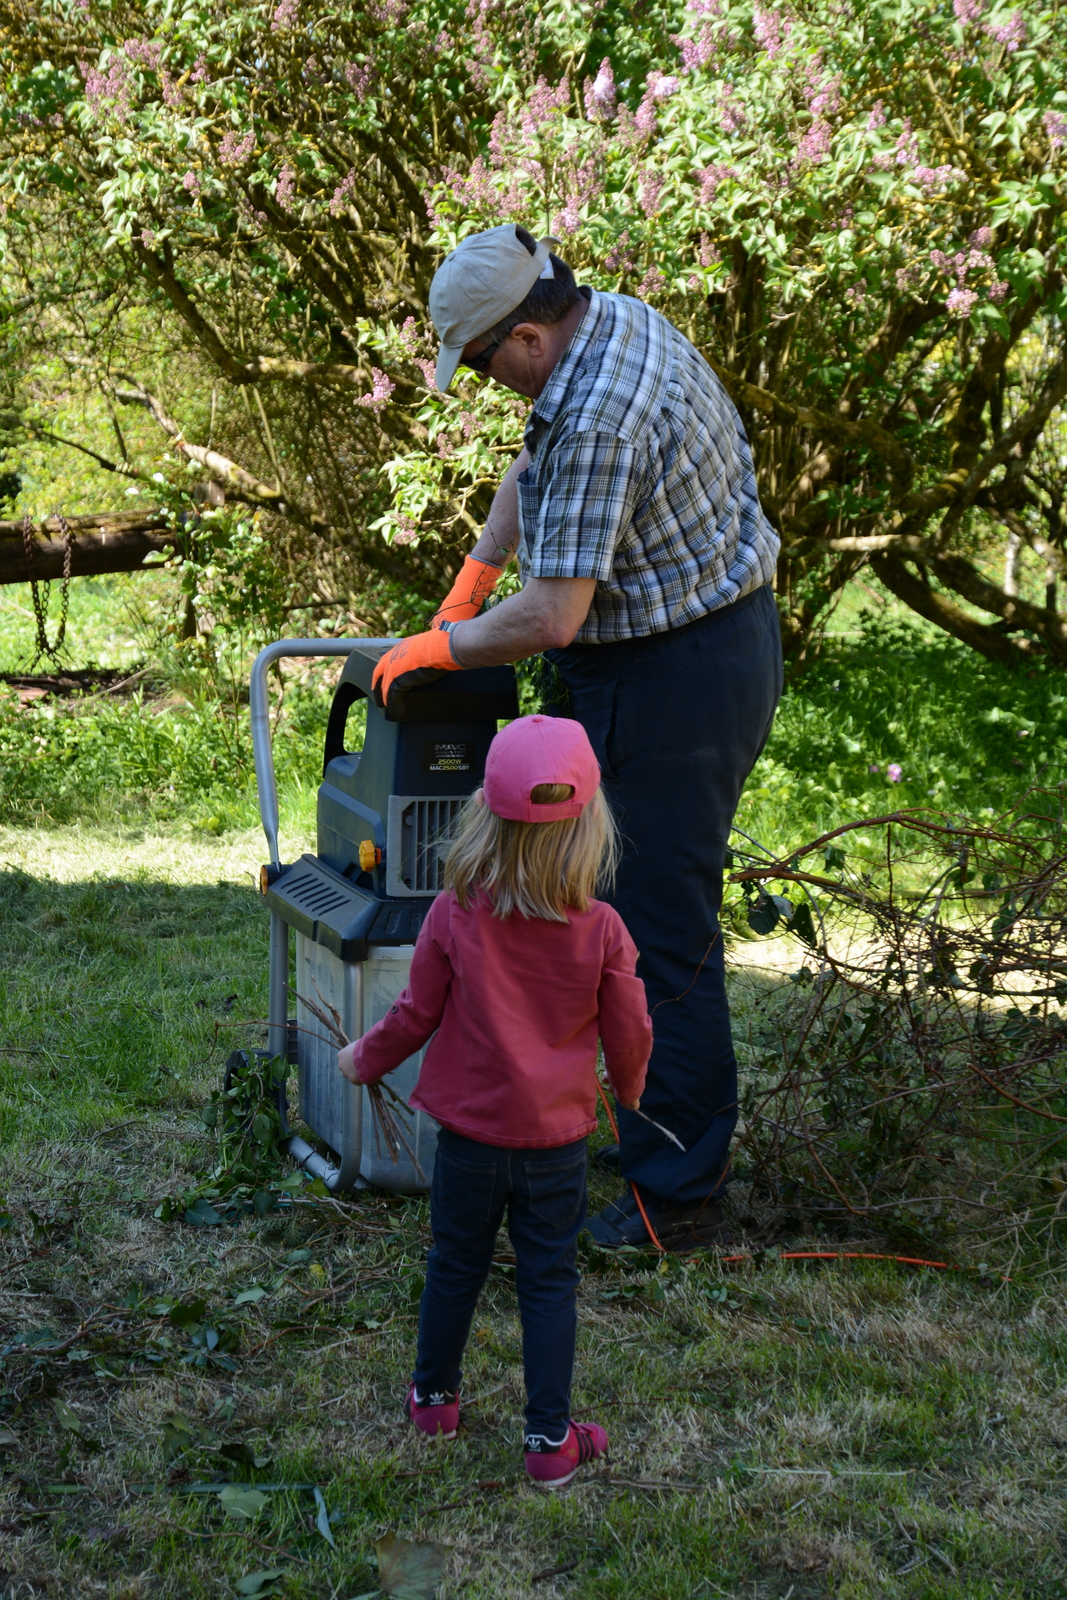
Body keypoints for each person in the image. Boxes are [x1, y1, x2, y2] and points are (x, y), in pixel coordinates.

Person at [372, 223, 782, 1253]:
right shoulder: (609, 324)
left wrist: (438, 650)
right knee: (589, 902)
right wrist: (469, 583)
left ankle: (674, 1200)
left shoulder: (599, 410)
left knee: (654, 934)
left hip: (674, 678)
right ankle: (610, 1121)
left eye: (479, 364)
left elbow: (553, 614)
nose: (482, 381)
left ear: (524, 337)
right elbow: (534, 458)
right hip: (670, 649)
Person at [337, 713, 652, 1487]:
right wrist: (630, 1093)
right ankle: (548, 1442)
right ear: (590, 827)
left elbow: (415, 1014)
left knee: (455, 1265)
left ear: (483, 814)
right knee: (547, 1281)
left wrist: (360, 1059)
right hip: (555, 1145)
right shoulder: (603, 930)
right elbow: (629, 1032)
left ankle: (433, 1403)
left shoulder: (453, 912)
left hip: (470, 1141)